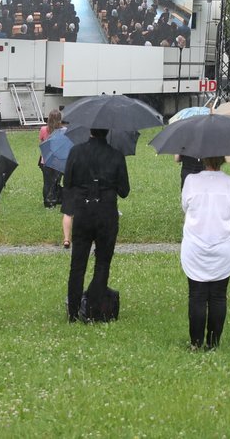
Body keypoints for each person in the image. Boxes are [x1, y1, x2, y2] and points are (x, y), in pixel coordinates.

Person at [64, 128, 130, 322]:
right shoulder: (116, 155)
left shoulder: (76, 152)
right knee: (103, 262)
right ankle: (94, 307)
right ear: (108, 131)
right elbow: (124, 190)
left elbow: (67, 181)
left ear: (90, 130)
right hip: (106, 213)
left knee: (78, 264)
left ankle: (74, 311)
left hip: (83, 212)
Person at [180, 156, 230, 350]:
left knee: (197, 295)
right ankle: (213, 343)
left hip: (195, 245)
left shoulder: (191, 180)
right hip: (223, 246)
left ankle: (196, 343)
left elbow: (185, 206)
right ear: (223, 159)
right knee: (218, 296)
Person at [38, 109, 64, 209]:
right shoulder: (62, 131)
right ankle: (55, 200)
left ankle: (47, 202)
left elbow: (41, 143)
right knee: (56, 181)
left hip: (46, 160)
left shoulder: (43, 129)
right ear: (59, 120)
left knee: (47, 182)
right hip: (58, 161)